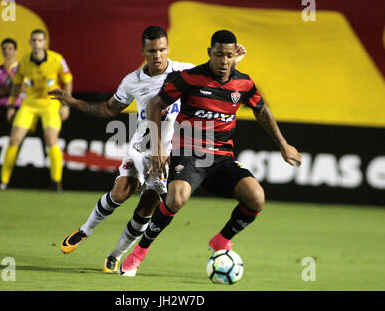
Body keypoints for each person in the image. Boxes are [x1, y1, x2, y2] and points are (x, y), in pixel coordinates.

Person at [48, 26, 247, 273]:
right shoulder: (132, 81)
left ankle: (115, 255)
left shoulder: (184, 71)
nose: (157, 55)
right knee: (121, 192)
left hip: (172, 153)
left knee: (147, 206)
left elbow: (214, 77)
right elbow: (108, 110)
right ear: (142, 51)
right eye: (152, 50)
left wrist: (233, 60)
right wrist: (71, 100)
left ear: (168, 49)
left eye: (162, 49)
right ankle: (84, 231)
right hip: (143, 148)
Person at [118, 30, 302, 277]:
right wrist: (160, 149)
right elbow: (155, 104)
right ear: (209, 53)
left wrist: (283, 144)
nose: (224, 61)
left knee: (256, 198)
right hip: (188, 154)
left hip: (221, 159)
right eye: (219, 55)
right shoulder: (188, 78)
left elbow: (262, 111)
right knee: (176, 199)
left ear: (234, 55)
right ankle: (138, 253)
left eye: (228, 55)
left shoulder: (244, 84)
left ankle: (221, 240)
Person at [0, 29, 72, 192]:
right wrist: (11, 106)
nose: (37, 44)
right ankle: (3, 181)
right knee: (14, 139)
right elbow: (17, 85)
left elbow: (67, 80)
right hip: (30, 103)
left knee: (51, 140)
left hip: (50, 103)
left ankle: (56, 182)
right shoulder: (24, 62)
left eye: (40, 40)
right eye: (34, 41)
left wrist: (66, 104)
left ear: (44, 43)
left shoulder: (57, 59)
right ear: (30, 43)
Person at [0, 38, 24, 106]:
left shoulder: (23, 68)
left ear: (15, 51)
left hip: (18, 105)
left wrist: (9, 72)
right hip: (1, 106)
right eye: (4, 49)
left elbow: (23, 89)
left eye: (10, 49)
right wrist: (13, 91)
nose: (6, 51)